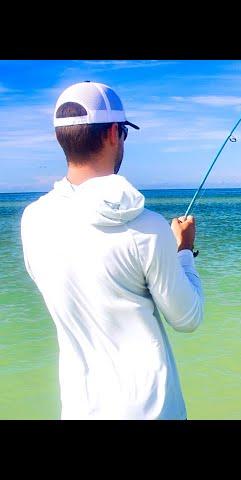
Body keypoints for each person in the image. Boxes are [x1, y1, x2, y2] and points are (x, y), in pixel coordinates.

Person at [20, 81, 204, 420]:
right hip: (154, 411)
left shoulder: (33, 221)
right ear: (112, 134)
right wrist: (183, 252)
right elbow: (187, 318)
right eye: (124, 134)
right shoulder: (146, 227)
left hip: (80, 409)